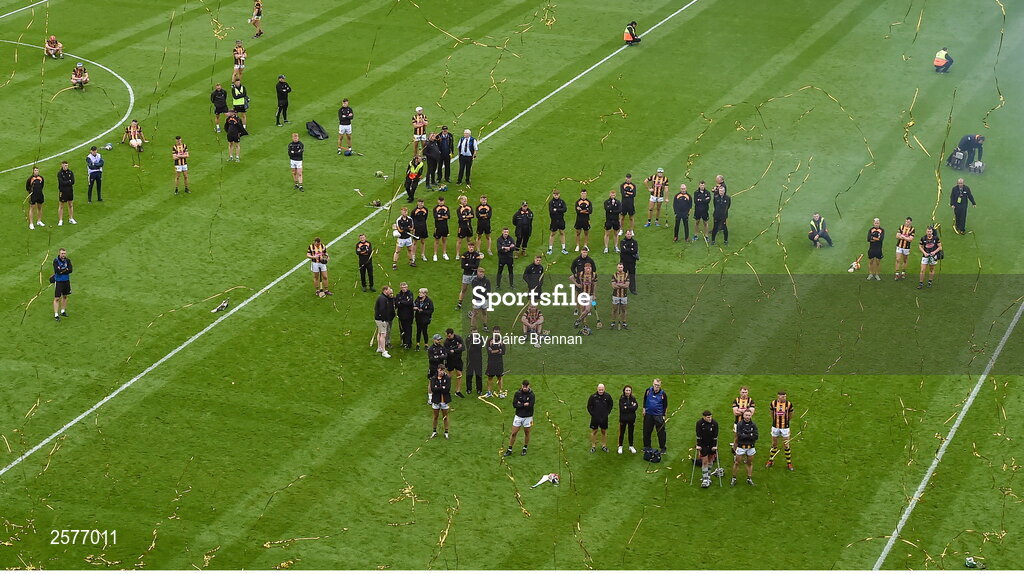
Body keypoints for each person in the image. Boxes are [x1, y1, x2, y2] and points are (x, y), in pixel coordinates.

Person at [504, 380, 535, 456]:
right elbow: (514, 405)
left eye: (526, 387)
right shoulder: (517, 394)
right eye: (523, 386)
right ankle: (510, 449)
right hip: (518, 416)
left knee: (527, 432)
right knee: (514, 433)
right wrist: (524, 404)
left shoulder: (532, 395)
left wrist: (520, 404)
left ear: (529, 386)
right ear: (521, 386)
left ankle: (525, 447)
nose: (524, 388)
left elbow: (530, 406)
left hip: (528, 417)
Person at [765, 390, 794, 470]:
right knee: (774, 444)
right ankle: (770, 460)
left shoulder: (789, 404)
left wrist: (787, 421)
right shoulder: (773, 403)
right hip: (775, 427)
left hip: (785, 427)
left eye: (785, 396)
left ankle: (789, 463)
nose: (784, 398)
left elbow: (791, 414)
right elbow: (771, 413)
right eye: (782, 396)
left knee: (786, 445)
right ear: (778, 396)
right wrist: (775, 420)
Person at [731, 409, 759, 486]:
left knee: (749, 463)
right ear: (743, 415)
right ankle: (734, 478)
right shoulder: (739, 424)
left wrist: (746, 435)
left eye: (749, 415)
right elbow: (739, 436)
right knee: (737, 462)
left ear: (751, 415)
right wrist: (750, 435)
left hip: (751, 447)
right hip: (741, 447)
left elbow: (756, 436)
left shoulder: (753, 424)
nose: (747, 417)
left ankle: (749, 478)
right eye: (746, 415)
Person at [695, 410, 721, 488]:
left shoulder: (714, 423)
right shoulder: (699, 423)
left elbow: (716, 435)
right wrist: (699, 445)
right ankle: (705, 479)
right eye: (708, 417)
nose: (710, 419)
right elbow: (698, 434)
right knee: (705, 461)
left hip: (711, 444)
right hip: (703, 444)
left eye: (710, 417)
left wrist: (714, 445)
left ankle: (708, 476)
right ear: (704, 417)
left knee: (710, 460)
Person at [642, 378, 667, 453]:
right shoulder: (648, 390)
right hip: (648, 414)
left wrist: (663, 415)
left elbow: (665, 405)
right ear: (653, 384)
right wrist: (644, 408)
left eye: (658, 385)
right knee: (646, 431)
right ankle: (647, 446)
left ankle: (662, 448)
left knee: (661, 432)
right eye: (655, 385)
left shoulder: (663, 394)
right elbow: (645, 399)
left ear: (660, 386)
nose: (656, 387)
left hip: (658, 415)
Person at [587, 383, 614, 453]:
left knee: (604, 431)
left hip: (604, 418)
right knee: (594, 432)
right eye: (599, 389)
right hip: (595, 418)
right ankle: (593, 446)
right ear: (597, 389)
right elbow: (589, 406)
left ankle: (604, 446)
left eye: (602, 389)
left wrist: (607, 412)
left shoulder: (607, 396)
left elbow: (611, 404)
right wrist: (593, 414)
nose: (601, 391)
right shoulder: (593, 397)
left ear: (604, 389)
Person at [456, 241, 482, 309]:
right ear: (468, 247)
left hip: (474, 275)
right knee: (463, 289)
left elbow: (476, 266)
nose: (471, 248)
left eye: (472, 247)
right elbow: (463, 266)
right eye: (470, 247)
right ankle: (460, 303)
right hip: (466, 274)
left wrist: (468, 265)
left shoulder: (477, 255)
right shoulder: (464, 254)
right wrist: (471, 266)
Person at [428, 365, 451, 439]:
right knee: (435, 416)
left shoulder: (447, 378)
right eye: (440, 370)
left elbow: (447, 389)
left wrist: (438, 388)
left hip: (444, 400)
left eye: (443, 370)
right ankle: (434, 431)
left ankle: (446, 432)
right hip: (436, 400)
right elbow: (433, 389)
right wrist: (441, 387)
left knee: (445, 417)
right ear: (438, 370)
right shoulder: (434, 378)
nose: (442, 372)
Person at [572, 261, 596, 330]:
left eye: (589, 268)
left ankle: (578, 320)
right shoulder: (581, 274)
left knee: (587, 310)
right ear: (584, 268)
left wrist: (594, 295)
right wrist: (577, 284)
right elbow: (571, 277)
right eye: (587, 268)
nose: (588, 269)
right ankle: (584, 323)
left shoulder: (594, 275)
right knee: (583, 309)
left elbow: (594, 285)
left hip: (590, 295)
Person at [731, 386, 755, 453]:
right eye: (743, 392)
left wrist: (740, 410)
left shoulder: (751, 401)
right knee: (736, 438)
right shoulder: (736, 400)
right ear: (740, 392)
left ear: (748, 393)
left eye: (745, 392)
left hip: (748, 424)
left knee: (747, 438)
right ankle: (735, 452)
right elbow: (735, 413)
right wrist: (746, 411)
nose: (744, 394)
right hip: (737, 423)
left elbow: (751, 413)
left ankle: (746, 453)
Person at [374, 286, 395, 358]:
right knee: (383, 335)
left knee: (379, 333)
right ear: (385, 290)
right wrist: (384, 319)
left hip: (378, 319)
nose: (390, 291)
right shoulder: (383, 299)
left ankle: (379, 347)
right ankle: (383, 351)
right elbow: (382, 310)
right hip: (381, 320)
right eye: (389, 290)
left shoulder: (382, 297)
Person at [485, 326, 506, 398]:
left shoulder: (502, 340)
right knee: (490, 377)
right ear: (492, 332)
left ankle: (500, 392)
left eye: (497, 332)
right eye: (495, 332)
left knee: (500, 377)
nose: (496, 333)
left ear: (499, 332)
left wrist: (496, 351)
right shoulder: (489, 340)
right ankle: (489, 392)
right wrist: (498, 350)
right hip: (491, 362)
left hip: (499, 362)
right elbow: (489, 352)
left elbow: (503, 352)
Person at [52, 248, 72, 321]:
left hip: (66, 281)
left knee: (65, 296)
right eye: (62, 253)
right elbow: (57, 271)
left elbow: (71, 270)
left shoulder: (68, 260)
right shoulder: (56, 261)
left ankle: (63, 311)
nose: (63, 255)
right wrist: (65, 270)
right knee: (57, 298)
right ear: (59, 253)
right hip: (59, 281)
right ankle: (56, 314)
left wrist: (62, 270)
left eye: (64, 253)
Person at [444, 328, 465, 396]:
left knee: (459, 374)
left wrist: (455, 350)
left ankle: (458, 391)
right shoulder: (446, 342)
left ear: (453, 334)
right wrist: (457, 348)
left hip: (458, 360)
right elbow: (448, 352)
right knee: (449, 375)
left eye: (449, 336)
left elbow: (463, 348)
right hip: (450, 360)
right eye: (447, 336)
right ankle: (447, 390)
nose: (448, 337)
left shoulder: (458, 338)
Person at [618, 385, 639, 454]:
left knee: (631, 432)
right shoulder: (621, 399)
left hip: (631, 419)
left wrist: (627, 407)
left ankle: (631, 446)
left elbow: (635, 407)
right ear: (624, 391)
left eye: (629, 390)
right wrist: (631, 407)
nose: (628, 392)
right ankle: (620, 446)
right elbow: (622, 409)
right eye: (626, 390)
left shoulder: (633, 398)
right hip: (623, 419)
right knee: (622, 432)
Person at [547, 189, 569, 255]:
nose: (556, 196)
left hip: (561, 220)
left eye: (557, 195)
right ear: (553, 195)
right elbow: (551, 211)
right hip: (554, 220)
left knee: (562, 232)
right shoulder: (551, 202)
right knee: (553, 234)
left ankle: (563, 248)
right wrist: (559, 210)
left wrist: (557, 209)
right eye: (555, 195)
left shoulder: (562, 202)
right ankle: (550, 249)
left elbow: (565, 209)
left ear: (559, 195)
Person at [56, 161, 77, 226]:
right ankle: (60, 220)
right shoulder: (60, 173)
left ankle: (71, 218)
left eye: (67, 165)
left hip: (70, 191)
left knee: (70, 204)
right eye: (65, 165)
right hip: (63, 191)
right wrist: (68, 181)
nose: (66, 167)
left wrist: (67, 182)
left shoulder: (70, 172)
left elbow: (73, 181)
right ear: (62, 165)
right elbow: (61, 182)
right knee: (61, 205)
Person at [619, 229, 639, 294]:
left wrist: (627, 249)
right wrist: (631, 249)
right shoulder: (622, 241)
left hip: (632, 262)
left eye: (630, 234)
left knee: (632, 276)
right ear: (625, 234)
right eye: (628, 234)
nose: (629, 235)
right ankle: (622, 289)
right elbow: (623, 250)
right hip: (624, 262)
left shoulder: (635, 242)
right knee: (622, 276)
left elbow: (635, 250)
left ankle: (633, 289)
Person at [465, 326, 484, 395]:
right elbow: (468, 347)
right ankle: (468, 389)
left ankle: (479, 389)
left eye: (476, 332)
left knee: (478, 375)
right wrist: (473, 342)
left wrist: (476, 342)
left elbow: (480, 346)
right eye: (473, 332)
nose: (475, 334)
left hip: (478, 359)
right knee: (469, 375)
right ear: (471, 332)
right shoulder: (468, 338)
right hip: (470, 359)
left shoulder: (480, 338)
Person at [610, 262, 629, 330]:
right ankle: (613, 322)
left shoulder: (626, 275)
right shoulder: (614, 275)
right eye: (619, 267)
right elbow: (613, 286)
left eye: (621, 267)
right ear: (617, 268)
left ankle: (624, 322)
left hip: (624, 295)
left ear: (623, 267)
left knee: (623, 309)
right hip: (616, 295)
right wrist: (622, 285)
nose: (620, 268)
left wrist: (618, 284)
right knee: (615, 309)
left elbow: (627, 285)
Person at [395, 282, 415, 349]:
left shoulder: (410, 294)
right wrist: (403, 302)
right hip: (401, 315)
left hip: (409, 315)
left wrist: (401, 302)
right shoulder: (398, 295)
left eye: (405, 287)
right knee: (402, 329)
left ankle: (409, 343)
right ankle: (403, 342)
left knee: (408, 329)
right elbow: (397, 304)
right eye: (403, 287)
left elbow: (410, 302)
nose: (404, 289)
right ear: (400, 287)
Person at [432, 196, 451, 261]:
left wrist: (441, 216)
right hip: (437, 227)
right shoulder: (435, 208)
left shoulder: (446, 208)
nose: (441, 202)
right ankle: (435, 254)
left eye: (442, 201)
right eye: (440, 201)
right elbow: (436, 217)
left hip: (445, 226)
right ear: (438, 201)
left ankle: (444, 253)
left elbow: (448, 216)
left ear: (444, 201)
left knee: (444, 240)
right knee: (436, 240)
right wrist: (443, 216)